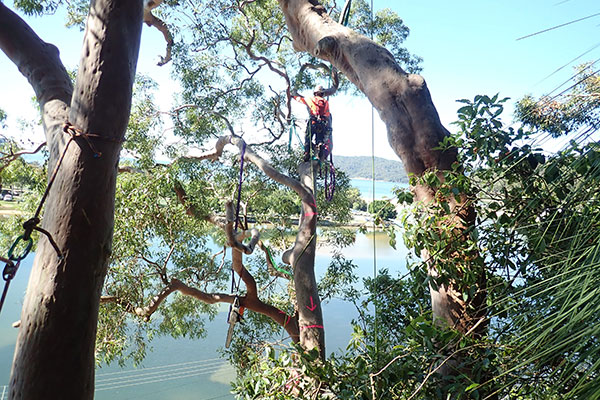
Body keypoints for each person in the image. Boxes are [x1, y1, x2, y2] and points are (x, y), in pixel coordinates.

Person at [292, 85, 333, 162]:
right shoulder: (326, 102)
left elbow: (300, 99)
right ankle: (319, 146)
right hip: (322, 123)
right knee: (319, 139)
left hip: (313, 122)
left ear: (315, 93)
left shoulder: (310, 99)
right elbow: (327, 115)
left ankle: (307, 153)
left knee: (308, 138)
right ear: (322, 93)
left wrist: (292, 96)